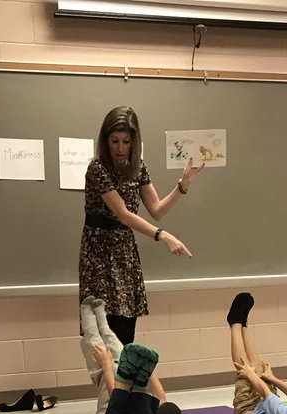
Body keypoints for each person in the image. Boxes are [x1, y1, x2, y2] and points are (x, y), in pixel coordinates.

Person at [79, 106, 204, 346]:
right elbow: (123, 214)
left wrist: (183, 184)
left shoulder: (138, 167)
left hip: (124, 255)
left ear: (134, 142)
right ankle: (111, 384)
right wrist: (164, 236)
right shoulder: (97, 168)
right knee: (105, 338)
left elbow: (156, 210)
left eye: (126, 141)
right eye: (114, 141)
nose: (120, 148)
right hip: (99, 257)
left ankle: (126, 384)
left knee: (126, 336)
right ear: (105, 141)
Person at [79, 294, 184, 414]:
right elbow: (161, 397)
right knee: (124, 358)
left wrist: (106, 364)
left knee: (109, 367)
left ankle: (89, 321)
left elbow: (116, 399)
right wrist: (146, 368)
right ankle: (104, 324)